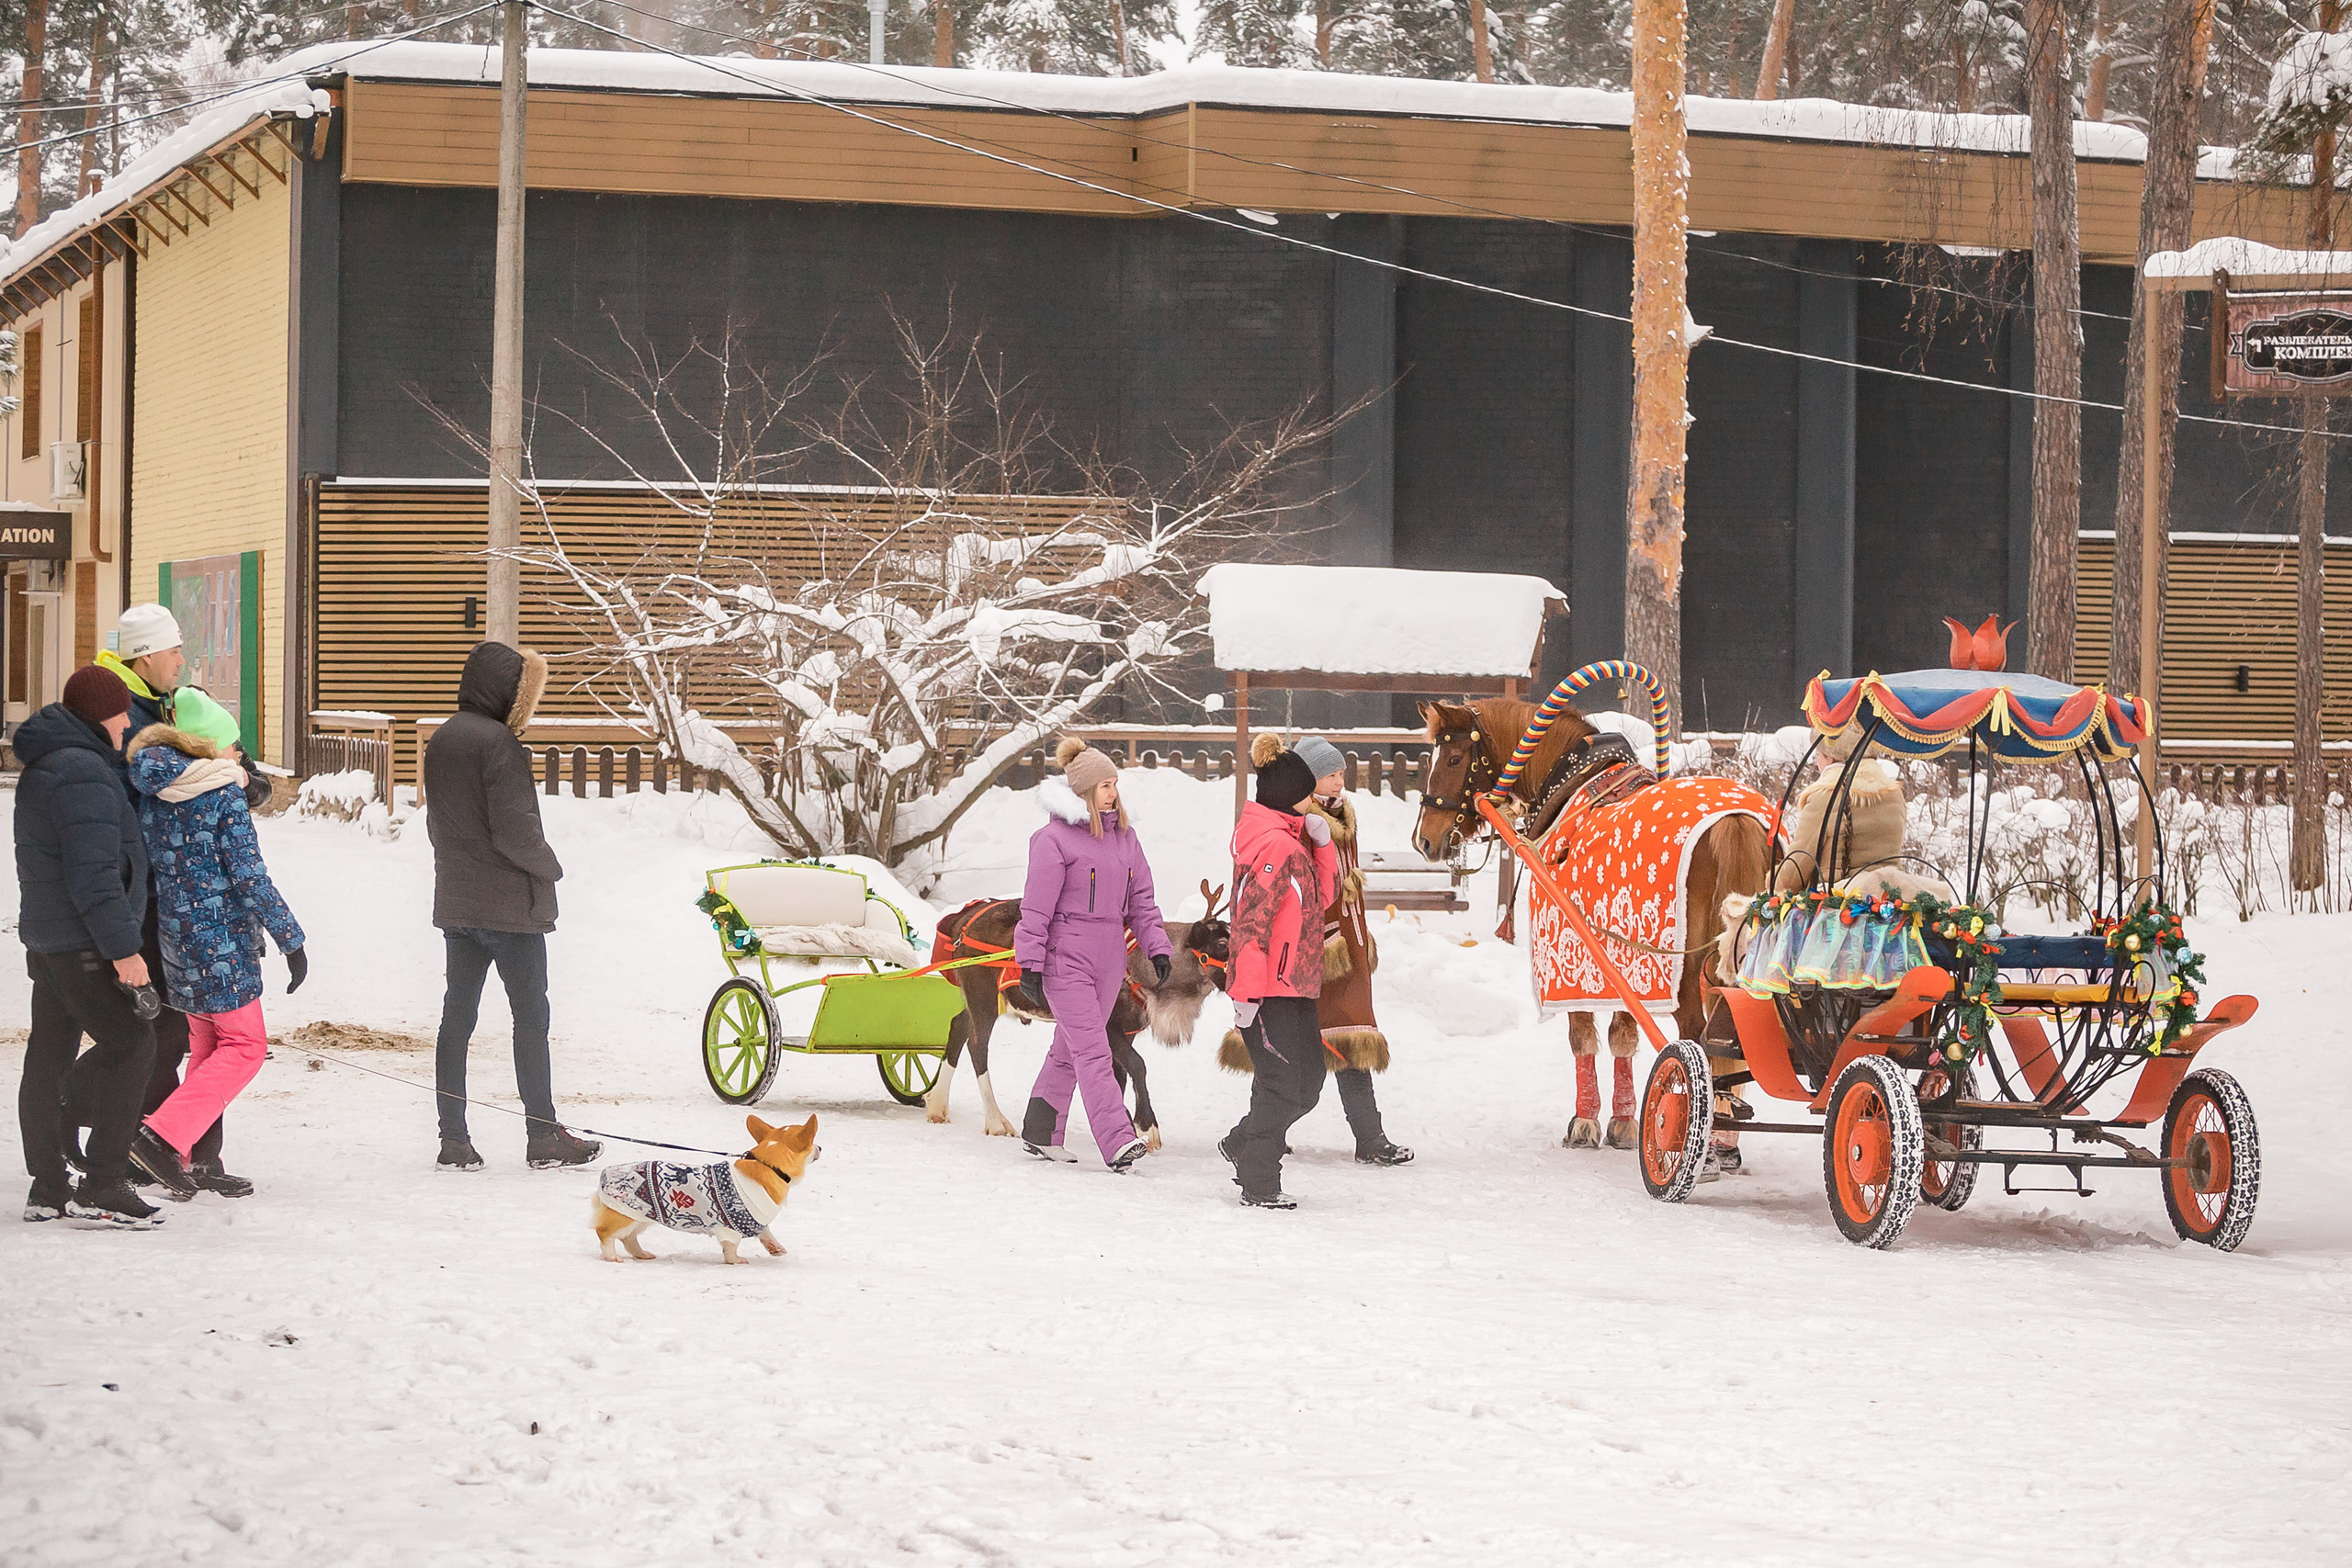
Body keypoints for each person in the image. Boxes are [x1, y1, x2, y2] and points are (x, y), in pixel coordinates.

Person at [64, 600, 269, 1195]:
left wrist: (239, 777)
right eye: (175, 649)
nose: (183, 659)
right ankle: (117, 1128)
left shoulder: (166, 703)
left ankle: (192, 1153)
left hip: (175, 900)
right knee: (168, 1033)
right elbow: (137, 804)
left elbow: (207, 771)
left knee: (196, 1030)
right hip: (145, 901)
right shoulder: (121, 711)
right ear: (147, 654)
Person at [424, 642, 599, 1171]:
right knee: (530, 1019)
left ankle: (452, 1138)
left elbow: (440, 824)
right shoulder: (499, 744)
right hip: (509, 909)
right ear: (509, 691)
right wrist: (550, 867)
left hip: (458, 903)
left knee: (457, 1018)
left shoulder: (443, 739)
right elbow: (516, 831)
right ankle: (542, 1136)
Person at [119, 723, 307, 1199]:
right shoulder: (221, 791)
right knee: (246, 1046)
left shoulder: (151, 788)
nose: (237, 751)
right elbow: (249, 875)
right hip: (223, 944)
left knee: (207, 1047)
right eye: (230, 742)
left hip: (176, 941)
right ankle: (160, 1137)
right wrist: (291, 939)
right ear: (204, 743)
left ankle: (197, 1157)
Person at [13, 666, 161, 1227]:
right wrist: (126, 952)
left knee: (49, 1053)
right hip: (83, 941)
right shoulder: (84, 773)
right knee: (133, 1043)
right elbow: (96, 876)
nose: (128, 722)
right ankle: (103, 1181)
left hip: (51, 939)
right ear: (101, 715)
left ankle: (48, 1184)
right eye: (122, 712)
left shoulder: (52, 764)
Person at [1013, 738, 1172, 1171]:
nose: (1112, 792)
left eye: (1114, 783)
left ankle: (1040, 1130)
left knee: (1069, 1047)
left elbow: (1142, 900)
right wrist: (1029, 962)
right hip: (1066, 958)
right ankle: (1118, 1139)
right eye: (1103, 784)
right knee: (1093, 1051)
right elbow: (1036, 907)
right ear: (1082, 789)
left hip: (1110, 959)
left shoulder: (1125, 838)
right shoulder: (1053, 840)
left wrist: (1156, 946)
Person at [1218, 737, 1340, 1209]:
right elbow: (1250, 924)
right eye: (1309, 793)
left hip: (1296, 986)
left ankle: (1241, 1144)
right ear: (1292, 795)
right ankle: (1259, 1177)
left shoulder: (1292, 843)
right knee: (1289, 1085)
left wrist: (1324, 846)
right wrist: (1246, 996)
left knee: (1305, 1082)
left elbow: (1320, 902)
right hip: (1269, 991)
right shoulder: (1273, 845)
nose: (1317, 802)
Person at [1295, 735, 1412, 1168]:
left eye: (1342, 773)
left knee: (1349, 1037)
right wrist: (1327, 940)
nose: (1340, 781)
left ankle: (1369, 1137)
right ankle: (1263, 1129)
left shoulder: (1341, 814)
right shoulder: (1303, 821)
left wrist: (1360, 935)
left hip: (1351, 943)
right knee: (1318, 1040)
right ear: (1310, 778)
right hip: (1323, 949)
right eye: (1331, 774)